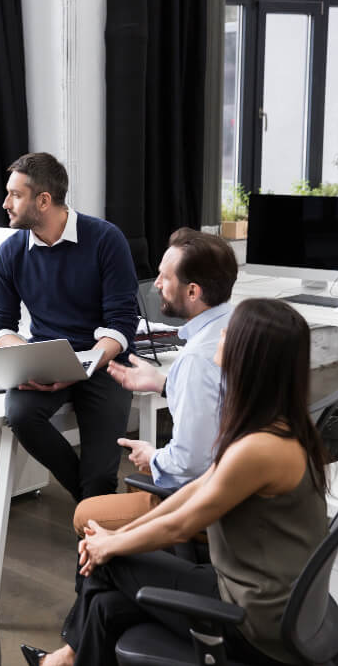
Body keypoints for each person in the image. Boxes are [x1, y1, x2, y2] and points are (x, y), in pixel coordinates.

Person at [21, 298, 330, 666]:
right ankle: (66, 660)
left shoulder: (260, 447)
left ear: (249, 354)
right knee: (104, 606)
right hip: (256, 595)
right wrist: (114, 538)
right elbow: (190, 496)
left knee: (106, 561)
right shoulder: (272, 426)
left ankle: (64, 660)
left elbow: (183, 523)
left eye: (230, 332)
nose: (221, 333)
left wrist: (110, 546)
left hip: (255, 623)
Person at [0, 152, 138, 502]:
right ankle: (93, 503)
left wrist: (81, 366)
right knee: (20, 416)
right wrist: (20, 356)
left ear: (44, 200)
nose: (5, 203)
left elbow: (121, 325)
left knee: (101, 474)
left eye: (16, 195)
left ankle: (95, 505)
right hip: (47, 357)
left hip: (103, 363)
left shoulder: (105, 240)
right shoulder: (10, 252)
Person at [72, 228, 238, 534]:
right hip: (235, 485)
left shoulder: (197, 359)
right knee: (138, 486)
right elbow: (218, 403)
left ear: (192, 291)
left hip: (207, 502)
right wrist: (163, 384)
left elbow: (190, 462)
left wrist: (153, 455)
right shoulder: (236, 327)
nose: (157, 285)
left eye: (165, 277)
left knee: (86, 514)